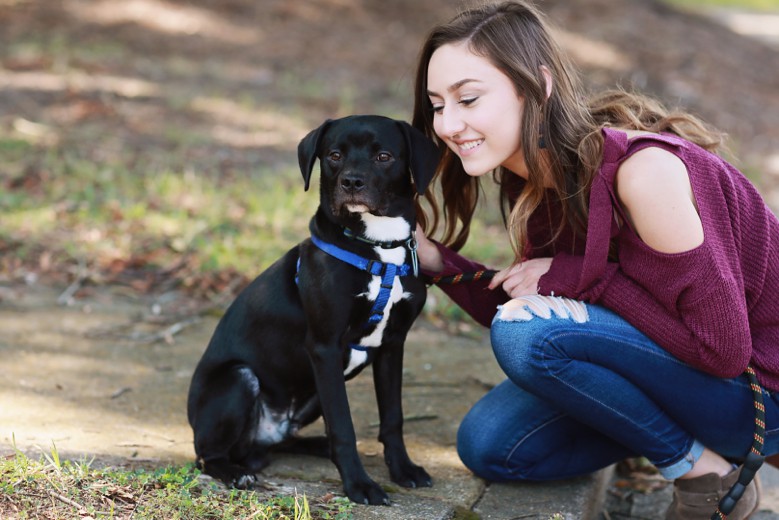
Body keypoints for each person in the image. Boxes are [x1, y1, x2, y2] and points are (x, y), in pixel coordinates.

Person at [410, 2, 779, 519]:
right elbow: (536, 302)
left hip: (758, 392)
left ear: (537, 85)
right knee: (491, 445)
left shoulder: (643, 172)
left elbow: (722, 349)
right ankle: (663, 433)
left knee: (526, 338)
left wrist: (579, 279)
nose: (449, 124)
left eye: (468, 99)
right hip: (687, 376)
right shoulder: (533, 180)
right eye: (437, 105)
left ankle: (702, 475)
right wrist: (433, 260)